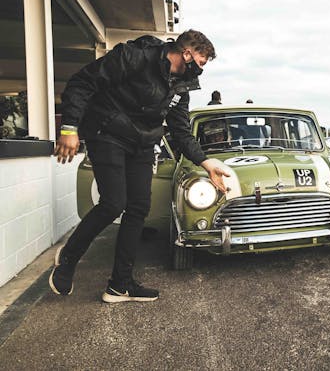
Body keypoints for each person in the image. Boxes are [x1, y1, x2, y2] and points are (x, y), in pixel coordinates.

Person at [51, 30, 229, 303]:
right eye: (201, 63)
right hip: (107, 131)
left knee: (139, 208)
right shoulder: (135, 56)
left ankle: (120, 285)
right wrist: (69, 128)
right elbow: (82, 83)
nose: (201, 70)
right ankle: (68, 259)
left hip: (143, 143)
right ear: (187, 54)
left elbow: (181, 131)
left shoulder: (181, 86)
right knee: (113, 203)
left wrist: (205, 163)